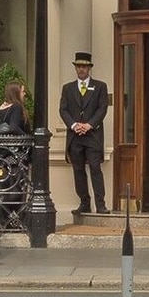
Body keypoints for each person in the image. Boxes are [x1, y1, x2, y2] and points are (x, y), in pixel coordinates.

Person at [58, 51, 110, 216]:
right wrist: (74, 125)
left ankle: (100, 204)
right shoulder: (68, 88)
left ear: (89, 68)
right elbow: (63, 110)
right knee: (78, 170)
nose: (81, 69)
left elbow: (102, 109)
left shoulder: (100, 86)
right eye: (78, 66)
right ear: (75, 68)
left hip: (92, 135)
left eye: (84, 67)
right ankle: (84, 203)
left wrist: (89, 125)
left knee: (95, 168)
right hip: (75, 136)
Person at [0, 81, 33, 228]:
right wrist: (27, 138)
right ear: (16, 92)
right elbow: (14, 127)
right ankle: (13, 220)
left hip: (1, 154)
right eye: (23, 91)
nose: (25, 94)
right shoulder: (16, 106)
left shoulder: (2, 107)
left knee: (2, 187)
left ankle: (3, 220)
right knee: (16, 186)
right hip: (14, 155)